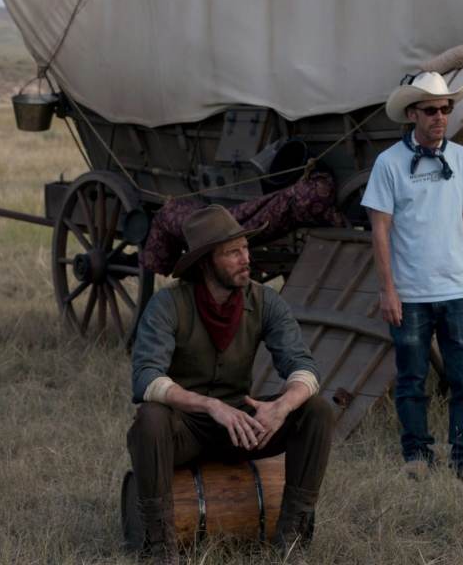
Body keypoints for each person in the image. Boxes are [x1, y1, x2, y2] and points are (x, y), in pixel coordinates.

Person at [128, 204, 333, 563]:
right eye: (233, 252)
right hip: (186, 430)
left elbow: (304, 368)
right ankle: (160, 545)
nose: (246, 259)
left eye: (246, 248)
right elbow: (146, 377)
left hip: (244, 427)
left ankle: (293, 538)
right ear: (207, 262)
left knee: (315, 409)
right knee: (150, 418)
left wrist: (281, 407)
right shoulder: (168, 304)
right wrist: (210, 405)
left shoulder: (265, 301)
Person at [360, 71, 463, 484]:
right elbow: (379, 228)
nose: (440, 116)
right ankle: (416, 454)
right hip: (411, 293)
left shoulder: (462, 158)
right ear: (412, 113)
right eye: (431, 110)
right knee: (412, 380)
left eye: (446, 108)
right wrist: (388, 290)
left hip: (458, 290)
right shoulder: (389, 163)